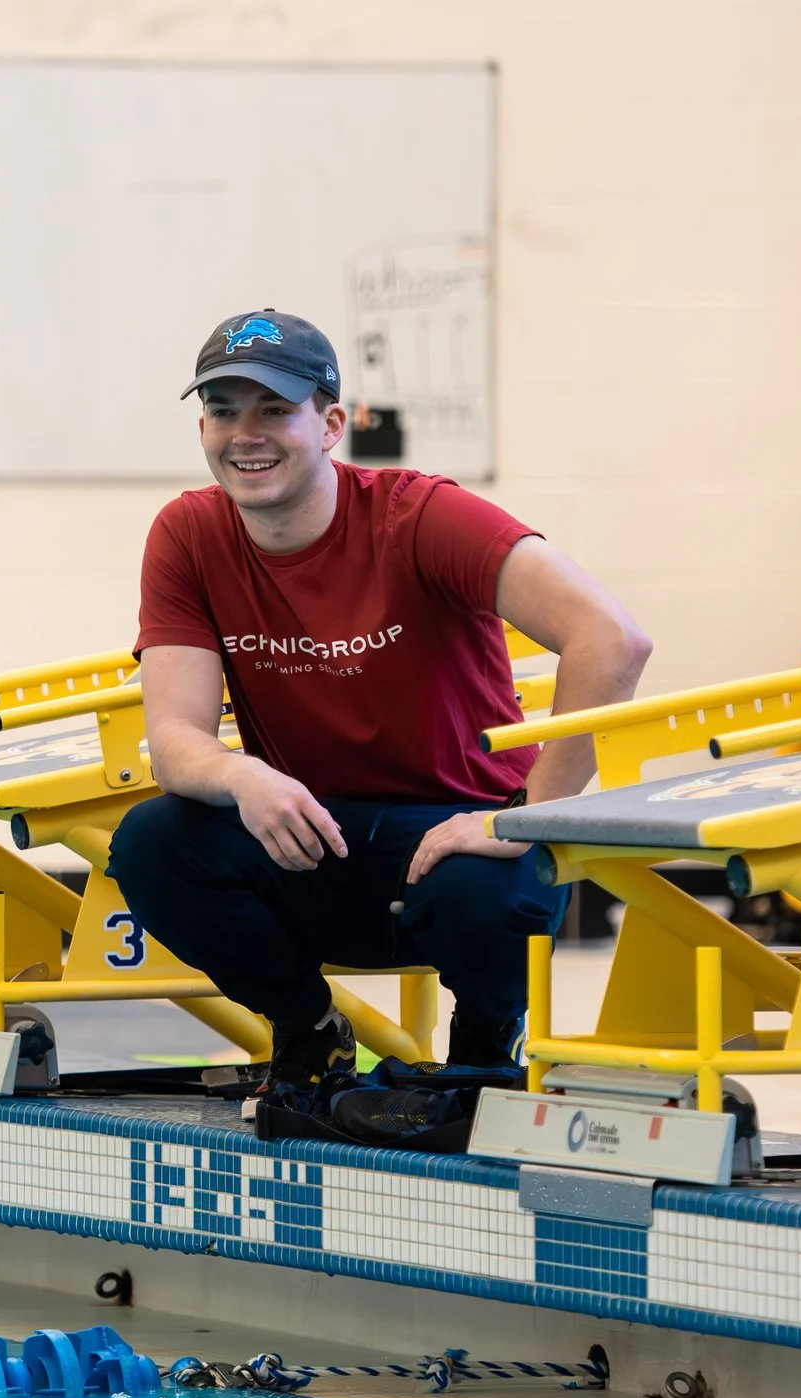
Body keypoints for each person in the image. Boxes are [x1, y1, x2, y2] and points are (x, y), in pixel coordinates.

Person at [109, 308, 652, 1140]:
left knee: (493, 881)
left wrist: (525, 817)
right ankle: (309, 1031)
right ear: (202, 426)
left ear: (330, 424)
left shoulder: (421, 517)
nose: (244, 434)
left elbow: (612, 638)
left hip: (456, 838)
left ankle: (481, 1053)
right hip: (314, 835)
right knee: (152, 840)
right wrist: (241, 773)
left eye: (272, 409)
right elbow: (176, 740)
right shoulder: (188, 534)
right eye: (223, 410)